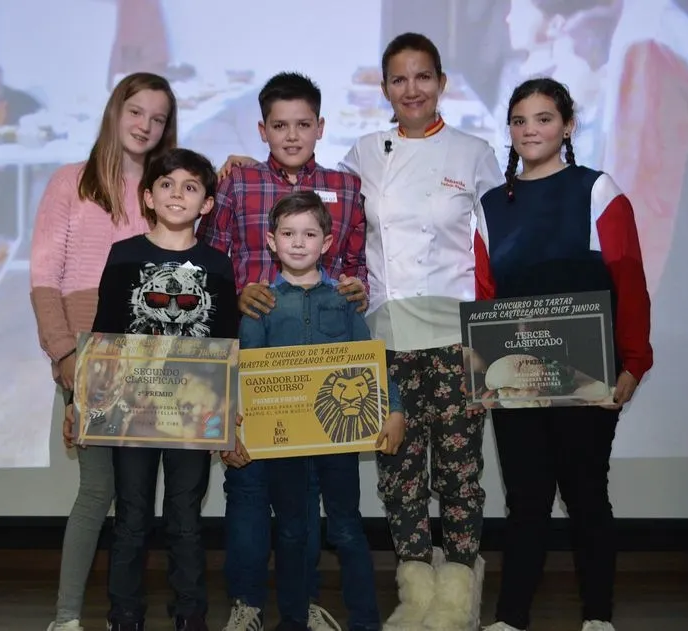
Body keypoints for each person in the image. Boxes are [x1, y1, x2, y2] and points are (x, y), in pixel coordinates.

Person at [216, 33, 502, 631]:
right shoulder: (362, 156)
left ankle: (454, 599)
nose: (412, 89)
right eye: (399, 79)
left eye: (423, 77)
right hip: (344, 342)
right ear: (385, 89)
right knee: (380, 482)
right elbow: (238, 254)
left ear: (442, 82)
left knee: (453, 474)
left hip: (441, 336)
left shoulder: (472, 153)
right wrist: (234, 167)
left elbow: (491, 251)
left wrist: (492, 343)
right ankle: (400, 594)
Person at [472, 78, 653, 631]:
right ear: (509, 130)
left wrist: (633, 364)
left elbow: (628, 280)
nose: (531, 130)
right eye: (520, 120)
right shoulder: (488, 206)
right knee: (525, 503)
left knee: (585, 499)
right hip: (515, 380)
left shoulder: (598, 190)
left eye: (544, 119)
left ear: (568, 126)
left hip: (588, 376)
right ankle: (510, 618)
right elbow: (485, 296)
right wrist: (482, 374)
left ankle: (598, 616)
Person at [196, 71, 368, 631]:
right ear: (262, 128)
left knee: (309, 494)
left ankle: (305, 600)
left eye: (302, 124)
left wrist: (356, 287)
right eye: (279, 125)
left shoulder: (345, 188)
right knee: (246, 485)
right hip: (251, 354)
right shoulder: (239, 184)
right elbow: (210, 265)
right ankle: (246, 603)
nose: (291, 135)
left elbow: (355, 266)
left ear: (320, 126)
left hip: (316, 364)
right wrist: (234, 295)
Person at [29, 72, 178, 631]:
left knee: (141, 496)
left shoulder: (164, 188)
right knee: (98, 489)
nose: (145, 125)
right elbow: (45, 277)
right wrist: (65, 354)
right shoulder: (71, 181)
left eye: (158, 118)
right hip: (89, 350)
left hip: (156, 353)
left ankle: (126, 612)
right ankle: (66, 617)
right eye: (136, 111)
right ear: (115, 112)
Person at [238, 191, 406, 631]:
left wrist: (395, 408)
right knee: (291, 531)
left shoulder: (346, 300)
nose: (298, 242)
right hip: (283, 447)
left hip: (339, 441)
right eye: (288, 234)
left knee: (347, 528)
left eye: (309, 234)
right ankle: (294, 620)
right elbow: (245, 377)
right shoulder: (260, 305)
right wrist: (234, 428)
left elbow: (371, 358)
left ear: (327, 243)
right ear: (271, 241)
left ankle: (366, 622)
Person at [88, 148, 239, 631]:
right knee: (131, 517)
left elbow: (226, 341)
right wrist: (83, 402)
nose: (178, 194)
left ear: (207, 204)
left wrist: (231, 408)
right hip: (130, 411)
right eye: (168, 185)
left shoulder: (218, 264)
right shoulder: (124, 254)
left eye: (191, 187)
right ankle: (124, 614)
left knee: (185, 519)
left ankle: (190, 615)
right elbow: (104, 333)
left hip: (192, 413)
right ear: (148, 196)